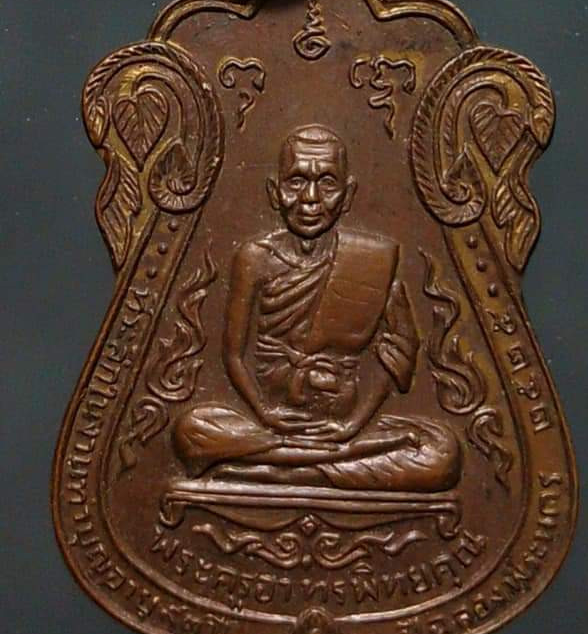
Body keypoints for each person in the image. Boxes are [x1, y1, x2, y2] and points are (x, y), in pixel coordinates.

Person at [174, 125, 460, 492]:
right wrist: (266, 414)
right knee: (192, 430)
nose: (310, 199)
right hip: (268, 421)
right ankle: (318, 465)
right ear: (274, 192)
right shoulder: (255, 258)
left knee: (442, 452)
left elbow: (401, 347)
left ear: (348, 194)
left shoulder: (371, 260)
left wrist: (353, 425)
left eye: (327, 183)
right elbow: (233, 355)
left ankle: (276, 470)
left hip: (345, 424)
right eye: (296, 182)